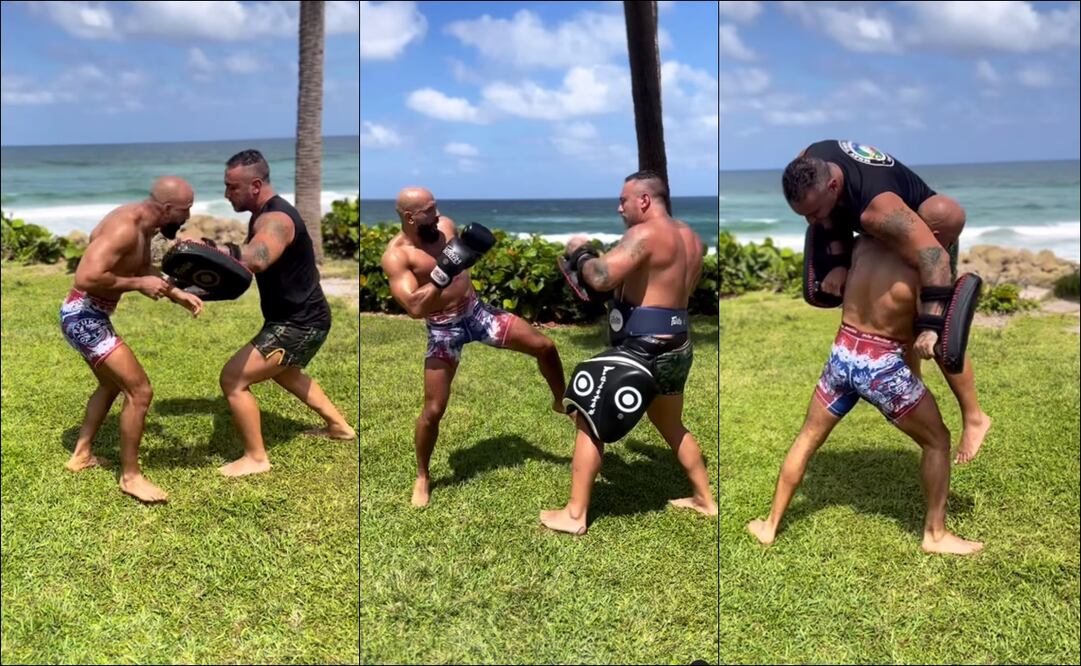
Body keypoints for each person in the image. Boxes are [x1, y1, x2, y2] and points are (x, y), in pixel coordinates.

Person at [747, 235, 984, 555]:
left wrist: (914, 377)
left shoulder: (861, 245)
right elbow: (936, 343)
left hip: (843, 355)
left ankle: (769, 525)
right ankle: (936, 535)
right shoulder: (923, 269)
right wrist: (970, 412)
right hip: (880, 368)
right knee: (937, 440)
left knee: (807, 437)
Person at [782, 140, 990, 463]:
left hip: (926, 240)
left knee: (936, 328)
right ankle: (916, 380)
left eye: (814, 212)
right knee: (903, 326)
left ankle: (974, 416)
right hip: (887, 231)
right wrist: (838, 262)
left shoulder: (880, 212)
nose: (810, 222)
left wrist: (932, 327)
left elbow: (934, 258)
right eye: (803, 214)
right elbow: (829, 216)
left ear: (834, 185)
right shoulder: (810, 161)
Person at [540, 170, 717, 536]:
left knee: (588, 415)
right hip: (677, 345)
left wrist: (580, 252)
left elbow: (602, 277)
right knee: (670, 423)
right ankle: (705, 499)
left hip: (643, 347)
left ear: (645, 200)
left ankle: (575, 514)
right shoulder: (692, 238)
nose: (619, 207)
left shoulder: (646, 233)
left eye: (624, 200)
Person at [380, 186, 566, 507]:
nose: (437, 215)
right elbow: (414, 307)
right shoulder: (397, 256)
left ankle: (561, 402)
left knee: (545, 346)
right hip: (443, 329)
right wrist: (441, 273)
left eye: (436, 207)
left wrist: (469, 256)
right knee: (433, 410)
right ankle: (422, 476)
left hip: (477, 313)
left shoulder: (445, 227)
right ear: (410, 217)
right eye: (429, 210)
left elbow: (461, 267)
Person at [61, 176, 203, 502]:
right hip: (83, 316)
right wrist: (137, 285)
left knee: (111, 384)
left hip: (87, 315)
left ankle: (81, 454)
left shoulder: (145, 226)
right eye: (185, 210)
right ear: (167, 208)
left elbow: (145, 270)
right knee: (140, 391)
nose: (188, 218)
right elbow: (86, 276)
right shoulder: (125, 227)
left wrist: (176, 293)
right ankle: (131, 477)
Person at [216, 149, 355, 477]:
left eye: (232, 187)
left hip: (298, 324)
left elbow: (259, 256)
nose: (226, 194)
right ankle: (339, 427)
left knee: (233, 379)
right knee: (285, 371)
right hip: (302, 318)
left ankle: (256, 459)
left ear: (255, 185)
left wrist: (216, 250)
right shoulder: (262, 214)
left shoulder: (276, 219)